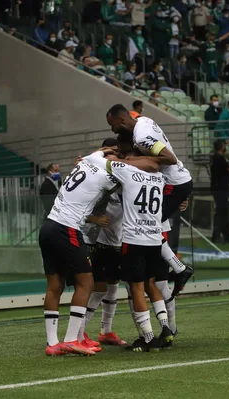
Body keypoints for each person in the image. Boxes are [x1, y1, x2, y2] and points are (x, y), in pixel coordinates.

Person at [106, 104, 194, 297]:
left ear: (121, 121)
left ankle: (179, 269)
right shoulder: (144, 122)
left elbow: (169, 158)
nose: (112, 130)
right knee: (150, 225)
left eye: (112, 125)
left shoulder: (141, 137)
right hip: (176, 183)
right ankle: (176, 268)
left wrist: (132, 162)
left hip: (173, 184)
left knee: (148, 225)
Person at [38, 147, 117, 356]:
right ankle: (72, 339)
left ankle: (53, 343)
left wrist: (102, 151)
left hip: (48, 226)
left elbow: (98, 154)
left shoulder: (88, 161)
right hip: (67, 229)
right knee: (86, 282)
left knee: (54, 285)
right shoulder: (107, 173)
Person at [106, 136, 173, 351]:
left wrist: (107, 153)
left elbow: (106, 164)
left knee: (136, 288)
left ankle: (148, 338)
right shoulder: (159, 178)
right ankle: (165, 328)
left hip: (134, 239)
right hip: (155, 238)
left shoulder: (126, 171)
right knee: (151, 283)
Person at [78, 138, 127, 350]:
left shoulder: (124, 178)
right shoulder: (97, 181)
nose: (117, 157)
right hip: (93, 241)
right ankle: (78, 332)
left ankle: (106, 331)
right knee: (92, 287)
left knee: (112, 288)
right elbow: (76, 207)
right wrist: (93, 219)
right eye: (113, 153)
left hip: (117, 242)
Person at [210, 139, 229, 244]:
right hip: (220, 189)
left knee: (223, 212)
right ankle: (217, 236)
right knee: (221, 213)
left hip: (218, 188)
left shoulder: (215, 158)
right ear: (221, 147)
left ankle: (226, 235)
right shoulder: (219, 158)